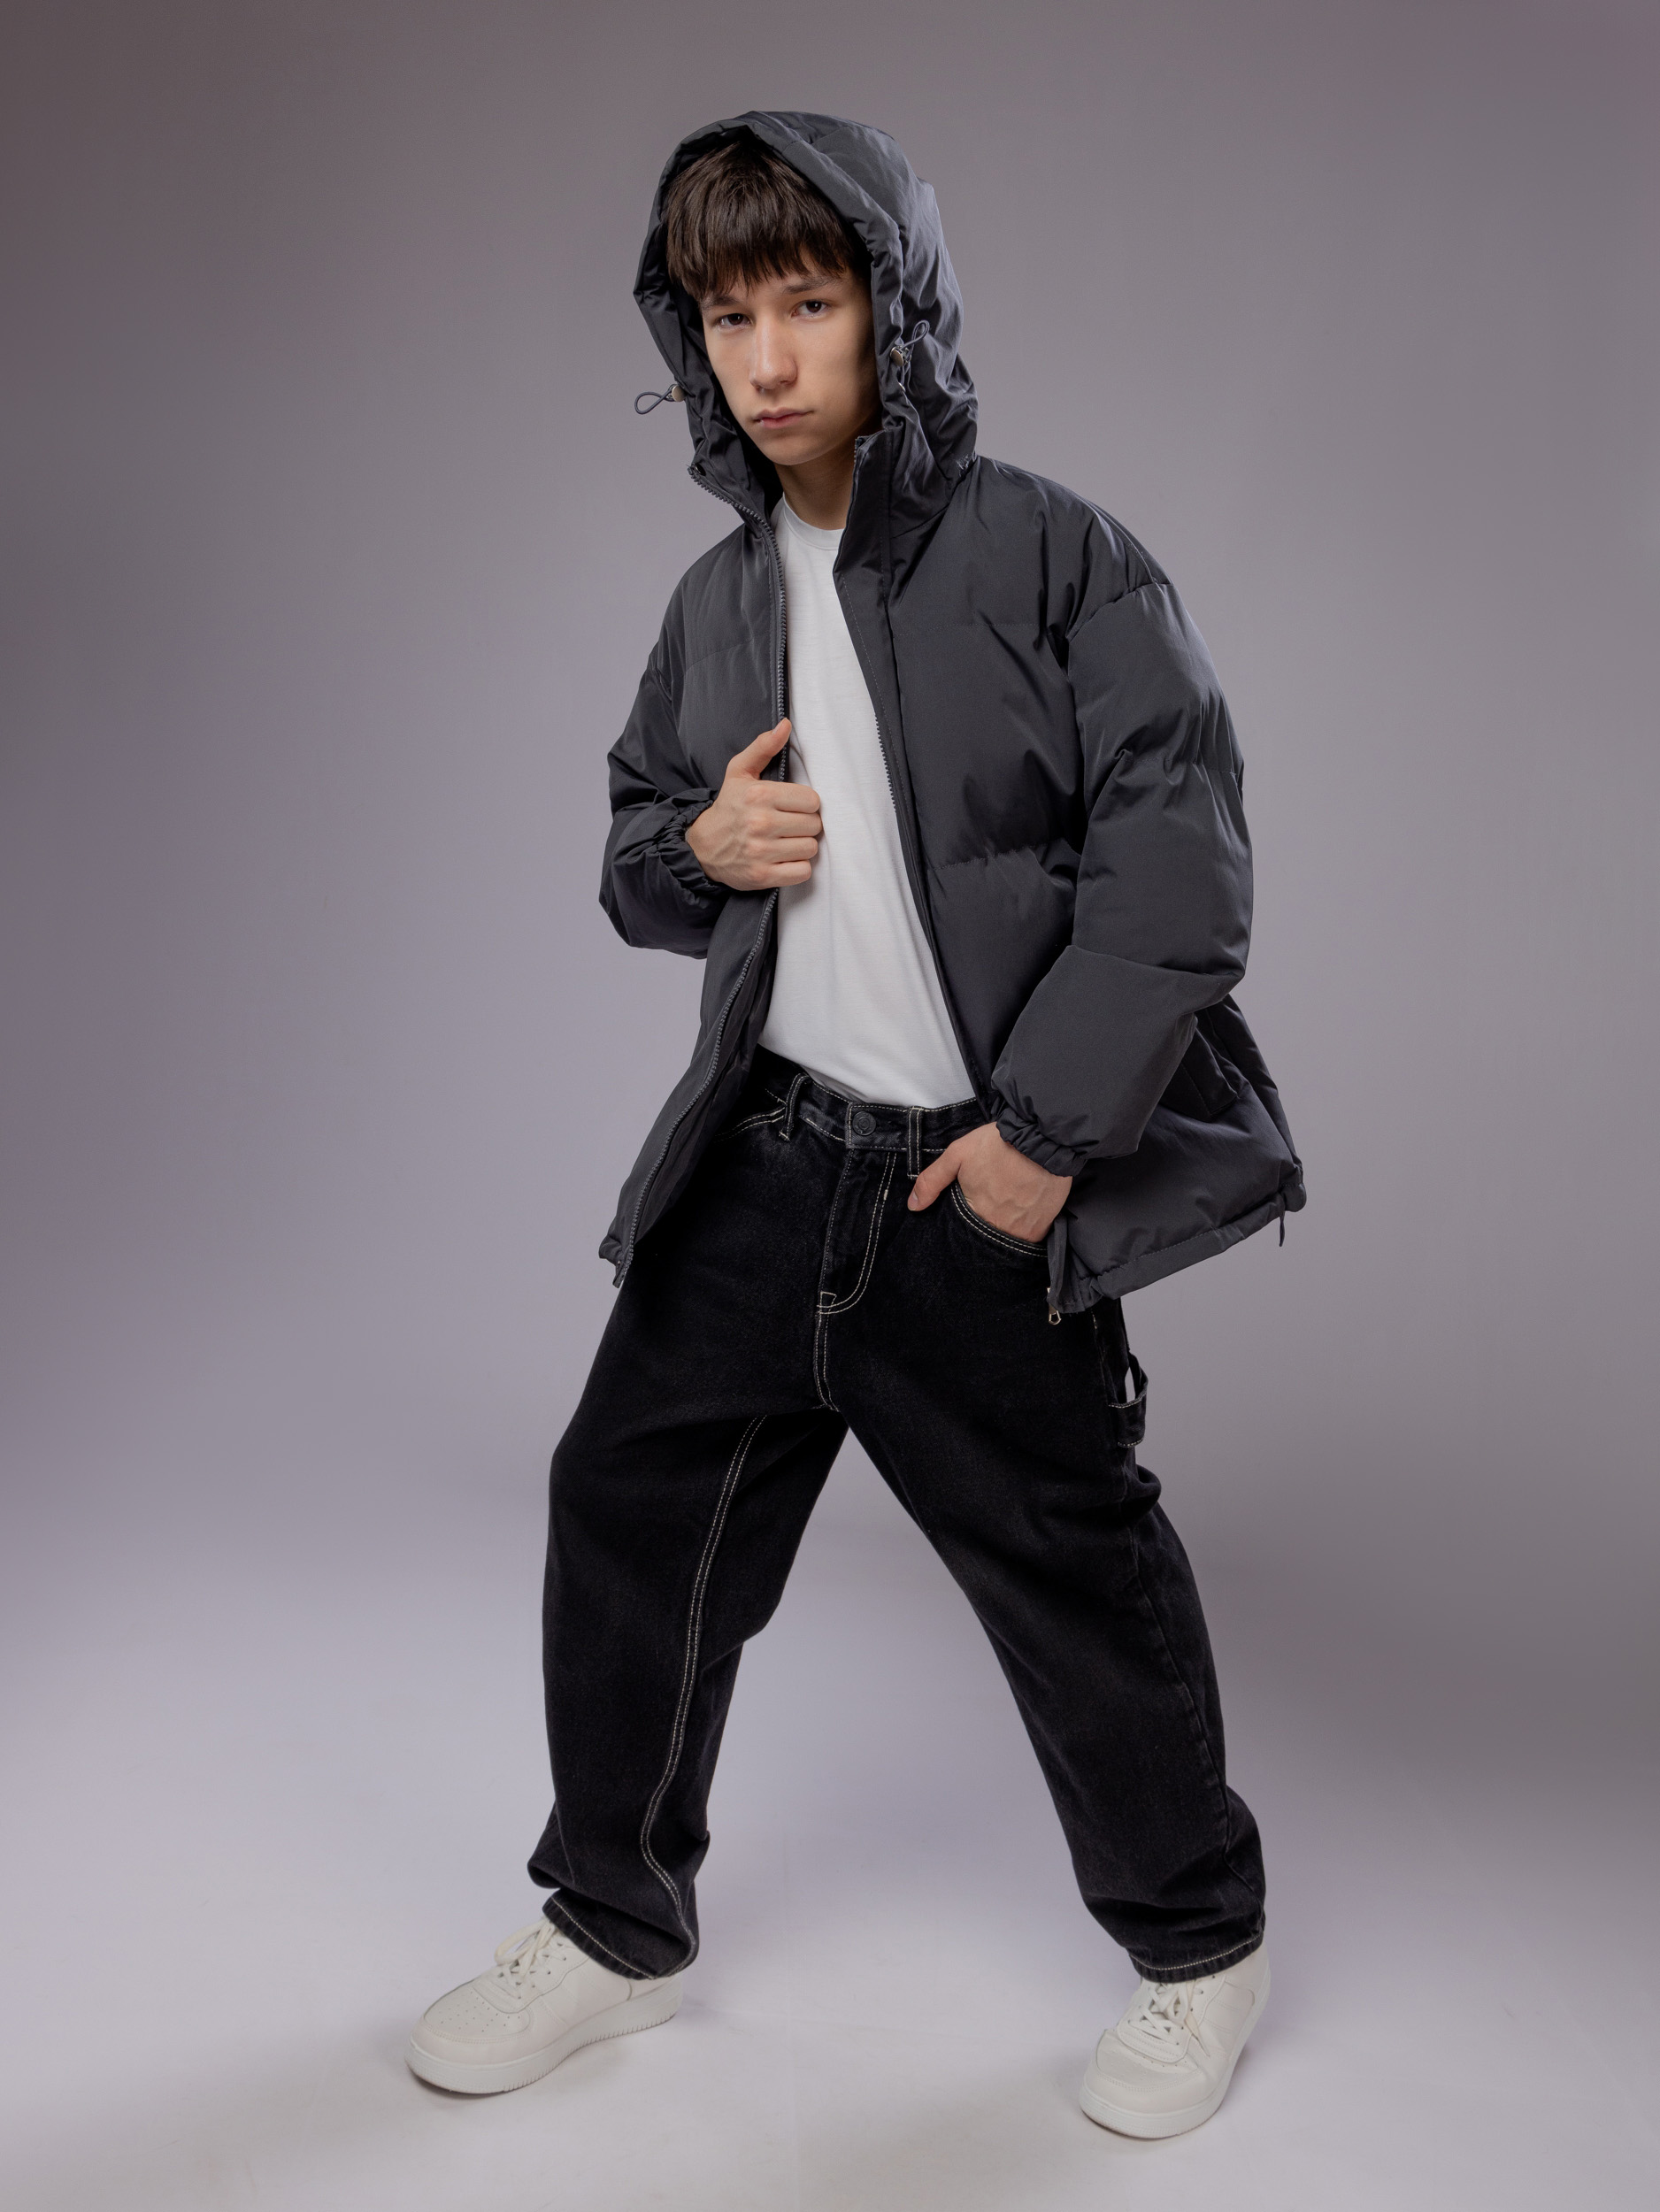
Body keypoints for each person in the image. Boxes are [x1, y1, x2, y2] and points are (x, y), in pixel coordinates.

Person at [406, 112, 1304, 2141]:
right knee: (625, 1505)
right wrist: (698, 848)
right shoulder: (715, 598)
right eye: (726, 317)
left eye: (806, 303)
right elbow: (634, 851)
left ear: (894, 310)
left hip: (967, 1180)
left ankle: (1199, 1939)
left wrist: (1041, 1146)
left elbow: (1179, 874)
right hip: (763, 1158)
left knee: (1066, 1563)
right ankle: (614, 1919)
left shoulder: (1057, 555)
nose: (767, 358)